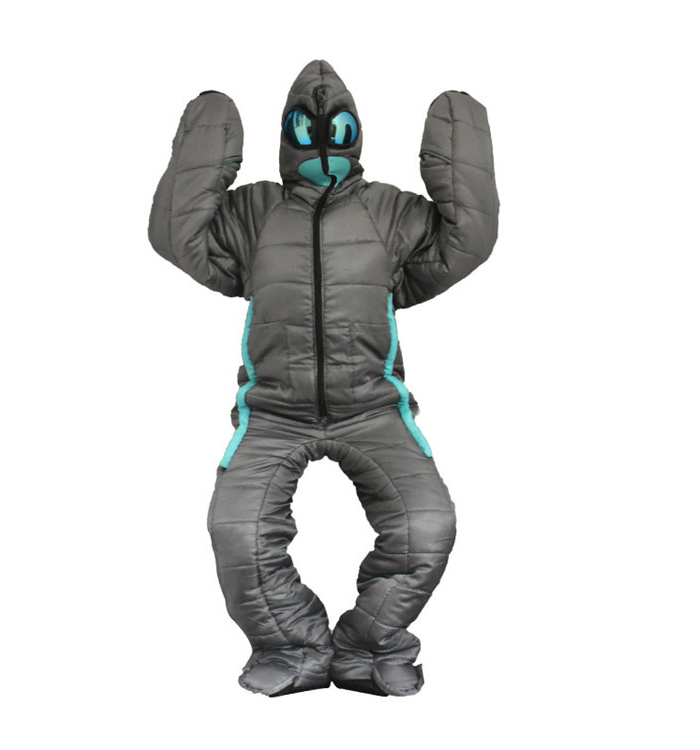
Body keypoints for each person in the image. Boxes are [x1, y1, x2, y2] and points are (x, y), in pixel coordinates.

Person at [148, 60, 499, 696]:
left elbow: (462, 242)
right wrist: (209, 130)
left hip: (374, 408)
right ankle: (294, 647)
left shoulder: (387, 211)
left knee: (426, 527)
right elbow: (179, 237)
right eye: (304, 129)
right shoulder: (255, 211)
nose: (320, 142)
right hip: (273, 411)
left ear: (354, 132)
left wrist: (460, 140)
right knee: (238, 533)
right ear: (286, 134)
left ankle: (371, 646)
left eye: (335, 129)